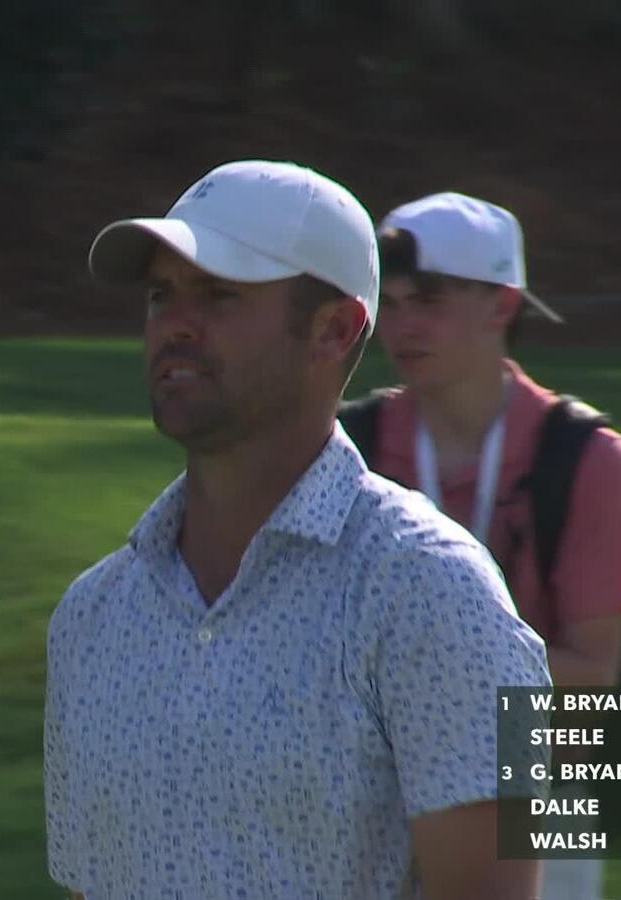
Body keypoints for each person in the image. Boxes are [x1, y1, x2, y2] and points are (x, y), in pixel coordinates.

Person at [43, 161, 551, 900]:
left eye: (219, 294)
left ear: (334, 329)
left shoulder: (427, 594)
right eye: (162, 295)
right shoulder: (90, 619)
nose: (175, 324)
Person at [352, 191, 621, 900]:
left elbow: (592, 678)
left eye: (427, 299)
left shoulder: (586, 458)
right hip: (375, 786)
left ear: (501, 304)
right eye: (389, 302)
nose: (401, 325)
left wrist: (420, 648)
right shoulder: (351, 449)